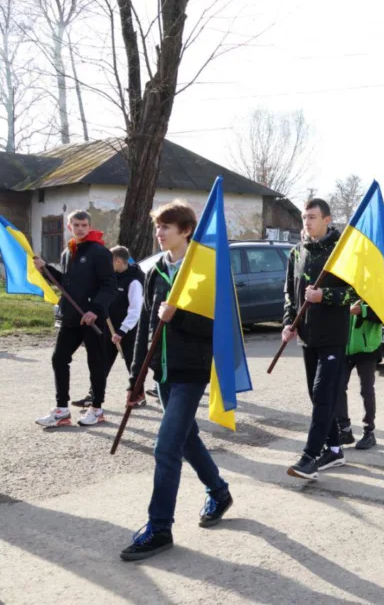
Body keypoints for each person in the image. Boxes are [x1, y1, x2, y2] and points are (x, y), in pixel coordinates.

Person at [120, 200, 232, 562]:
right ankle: (219, 490)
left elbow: (222, 328)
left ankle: (160, 527)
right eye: (157, 226)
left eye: (166, 226)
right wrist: (136, 377)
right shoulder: (156, 272)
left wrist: (179, 316)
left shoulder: (205, 271)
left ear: (186, 230)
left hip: (191, 372)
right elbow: (145, 331)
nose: (159, 232)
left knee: (166, 447)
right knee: (186, 439)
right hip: (163, 373)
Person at [283, 199, 354, 481]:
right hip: (307, 336)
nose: (307, 222)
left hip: (333, 336)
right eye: (304, 217)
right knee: (317, 396)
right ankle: (334, 449)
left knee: (324, 394)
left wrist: (324, 296)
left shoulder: (342, 253)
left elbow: (356, 294)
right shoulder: (296, 252)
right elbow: (289, 292)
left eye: (312, 217)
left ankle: (310, 457)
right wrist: (289, 322)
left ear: (327, 219)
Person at [34, 210, 117, 428]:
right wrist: (45, 269)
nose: (80, 228)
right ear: (69, 226)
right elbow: (65, 283)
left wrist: (95, 310)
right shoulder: (67, 252)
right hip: (71, 316)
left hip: (92, 318)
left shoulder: (99, 252)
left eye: (84, 225)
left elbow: (109, 286)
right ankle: (62, 410)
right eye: (76, 225)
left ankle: (97, 409)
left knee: (96, 362)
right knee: (59, 358)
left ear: (89, 226)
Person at [73, 245, 146, 409]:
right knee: (101, 364)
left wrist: (121, 331)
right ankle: (93, 395)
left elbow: (135, 311)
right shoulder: (110, 278)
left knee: (132, 365)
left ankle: (138, 394)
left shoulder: (134, 281)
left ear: (118, 261)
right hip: (108, 327)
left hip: (127, 330)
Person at [337, 298, 382, 449]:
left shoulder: (375, 287)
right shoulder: (346, 285)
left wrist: (363, 311)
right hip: (344, 348)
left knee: (366, 390)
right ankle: (344, 430)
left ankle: (369, 432)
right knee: (338, 387)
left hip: (367, 349)